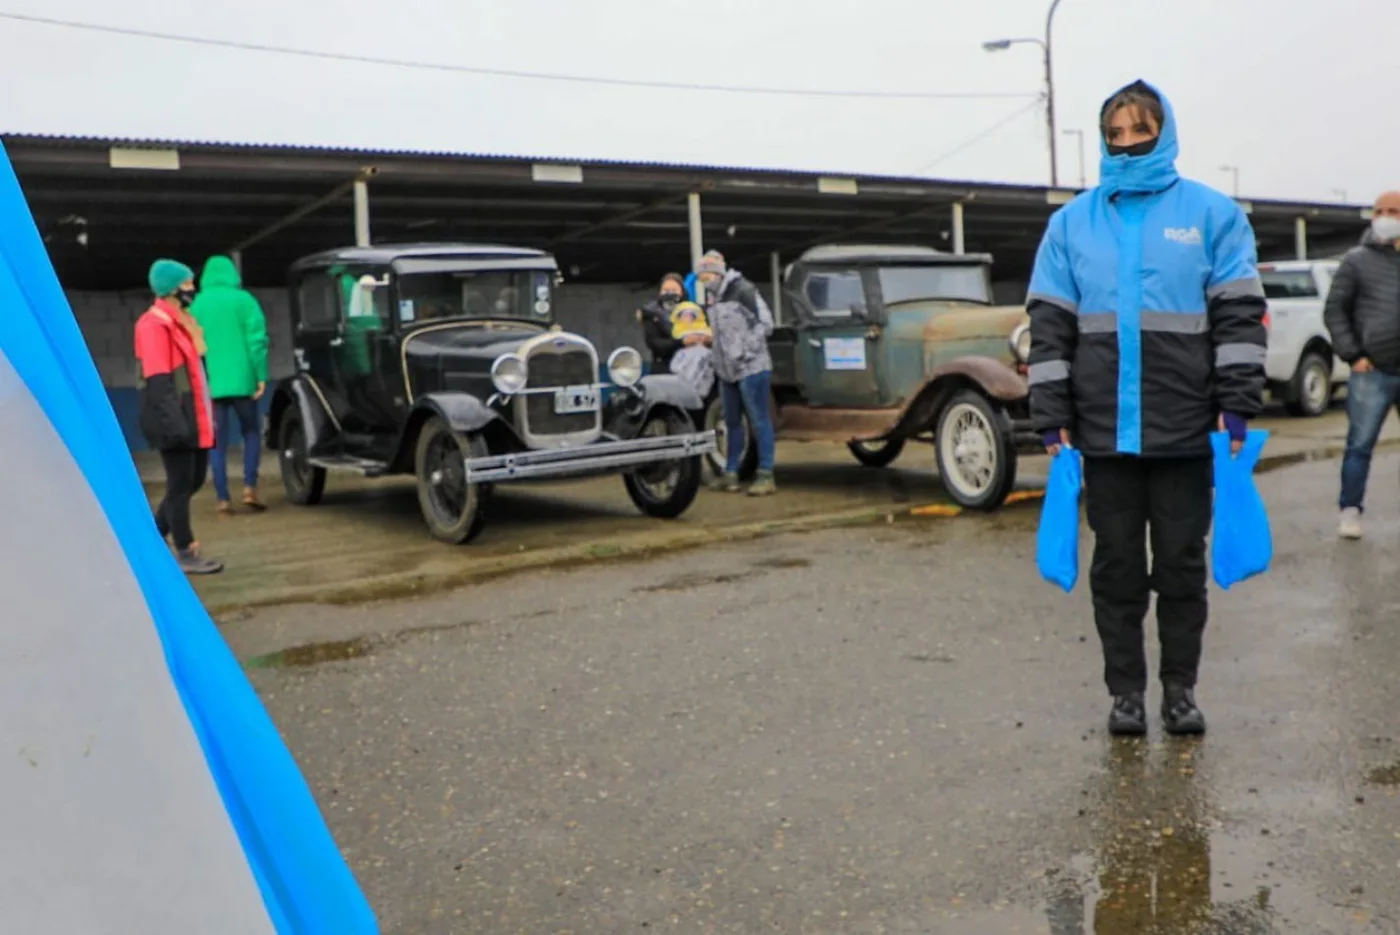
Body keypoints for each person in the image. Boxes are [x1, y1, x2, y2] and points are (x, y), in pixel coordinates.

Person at [1026, 80, 1267, 737]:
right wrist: (1051, 412)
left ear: (1166, 132)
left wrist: (1237, 404)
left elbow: (1239, 318)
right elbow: (1049, 328)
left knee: (1182, 570)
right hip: (1103, 435)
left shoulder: (1214, 215)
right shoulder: (1070, 224)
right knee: (1118, 568)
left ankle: (1180, 690)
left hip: (1187, 430)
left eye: (1141, 129)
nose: (1128, 142)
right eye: (1117, 132)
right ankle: (1125, 693)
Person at [134, 259, 224, 575]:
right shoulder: (153, 326)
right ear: (171, 289)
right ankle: (186, 550)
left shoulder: (181, 323)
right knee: (180, 484)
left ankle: (150, 539)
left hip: (193, 417)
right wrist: (176, 425)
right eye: (186, 284)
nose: (191, 289)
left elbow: (196, 374)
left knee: (193, 480)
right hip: (176, 420)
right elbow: (159, 382)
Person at [1322, 191, 1400, 540]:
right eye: (1380, 211)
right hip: (1373, 371)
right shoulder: (1356, 260)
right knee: (1360, 444)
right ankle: (1350, 510)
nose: (1385, 216)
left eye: (1393, 211)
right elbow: (1335, 310)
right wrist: (1354, 355)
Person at [190, 254, 269, 516]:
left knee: (217, 443)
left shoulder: (197, 306)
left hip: (212, 384)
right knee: (251, 433)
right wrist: (260, 374)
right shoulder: (244, 300)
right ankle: (249, 488)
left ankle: (223, 499)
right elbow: (257, 340)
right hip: (243, 380)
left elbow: (191, 347)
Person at [695, 250, 778, 496]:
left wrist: (743, 351)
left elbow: (766, 324)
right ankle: (731, 473)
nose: (704, 280)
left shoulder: (744, 290)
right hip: (726, 372)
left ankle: (766, 474)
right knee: (731, 423)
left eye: (707, 275)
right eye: (701, 276)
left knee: (760, 421)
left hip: (752, 368)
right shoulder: (713, 299)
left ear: (718, 273)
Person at [636, 272, 697, 374]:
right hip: (663, 369)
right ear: (660, 292)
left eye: (674, 290)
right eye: (666, 290)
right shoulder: (651, 313)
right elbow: (654, 343)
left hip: (689, 369)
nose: (670, 293)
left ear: (682, 292)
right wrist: (682, 342)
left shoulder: (694, 311)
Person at [667, 298, 715, 400]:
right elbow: (674, 368)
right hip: (685, 361)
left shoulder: (707, 351)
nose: (687, 317)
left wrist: (705, 339)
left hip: (703, 356)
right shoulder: (681, 351)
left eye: (690, 315)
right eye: (684, 315)